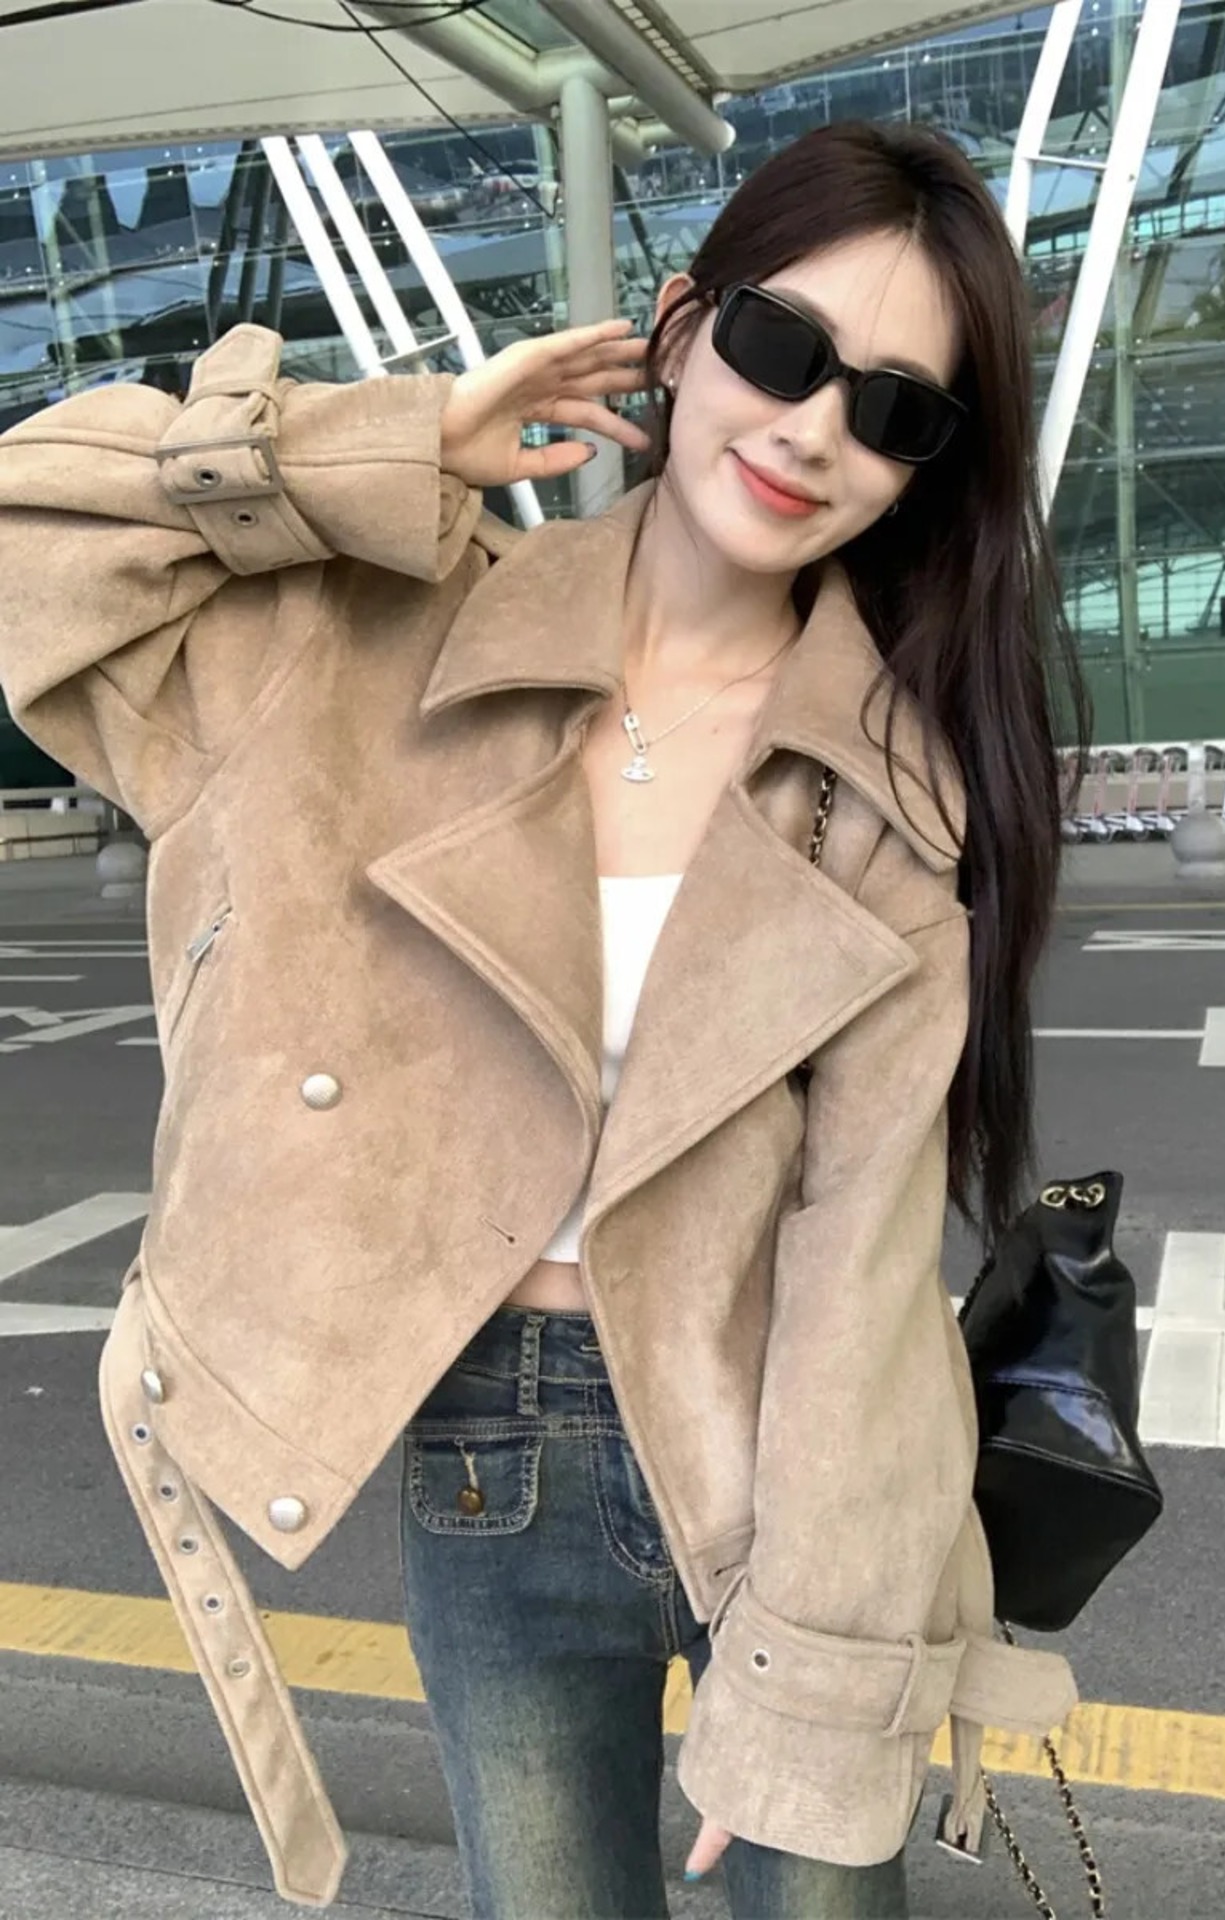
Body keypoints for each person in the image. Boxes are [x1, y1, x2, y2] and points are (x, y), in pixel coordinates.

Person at [0, 121, 1084, 1918]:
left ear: (923, 474)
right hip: (486, 1445)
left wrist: (808, 1669)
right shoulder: (369, 637)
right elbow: (30, 537)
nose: (814, 429)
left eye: (895, 409)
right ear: (680, 328)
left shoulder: (893, 785)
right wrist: (388, 444)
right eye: (783, 347)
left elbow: (860, 1265)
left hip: (786, 1461)